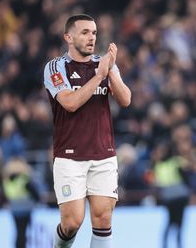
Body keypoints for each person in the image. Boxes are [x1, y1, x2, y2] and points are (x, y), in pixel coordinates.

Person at [43, 14, 131, 248]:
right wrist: (100, 75)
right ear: (68, 37)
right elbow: (69, 103)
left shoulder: (104, 64)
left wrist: (110, 71)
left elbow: (126, 99)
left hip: (104, 153)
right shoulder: (56, 67)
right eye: (85, 32)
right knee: (72, 222)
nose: (91, 37)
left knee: (103, 217)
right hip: (70, 156)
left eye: (94, 33)